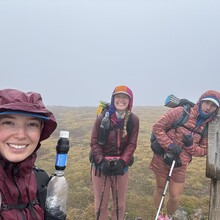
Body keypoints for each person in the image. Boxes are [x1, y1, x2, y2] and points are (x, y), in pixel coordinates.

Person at [149, 90, 220, 220]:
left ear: (216, 108)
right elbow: (157, 127)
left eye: (213, 105)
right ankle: (159, 215)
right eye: (207, 102)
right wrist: (170, 145)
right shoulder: (180, 112)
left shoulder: (207, 126)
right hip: (162, 157)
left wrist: (190, 146)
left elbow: (203, 151)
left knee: (175, 196)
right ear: (201, 101)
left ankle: (168, 217)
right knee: (160, 187)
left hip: (180, 164)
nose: (208, 107)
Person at [0, 88, 61, 219]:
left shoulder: (41, 181)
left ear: (41, 131)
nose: (21, 135)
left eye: (32, 124)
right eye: (9, 123)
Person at [90, 85, 139, 220]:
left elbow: (132, 144)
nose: (121, 100)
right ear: (113, 99)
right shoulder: (102, 118)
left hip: (121, 167)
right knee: (101, 205)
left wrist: (122, 162)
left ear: (130, 101)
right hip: (101, 167)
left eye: (125, 97)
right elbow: (94, 142)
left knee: (119, 204)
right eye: (118, 97)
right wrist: (101, 161)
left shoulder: (133, 120)